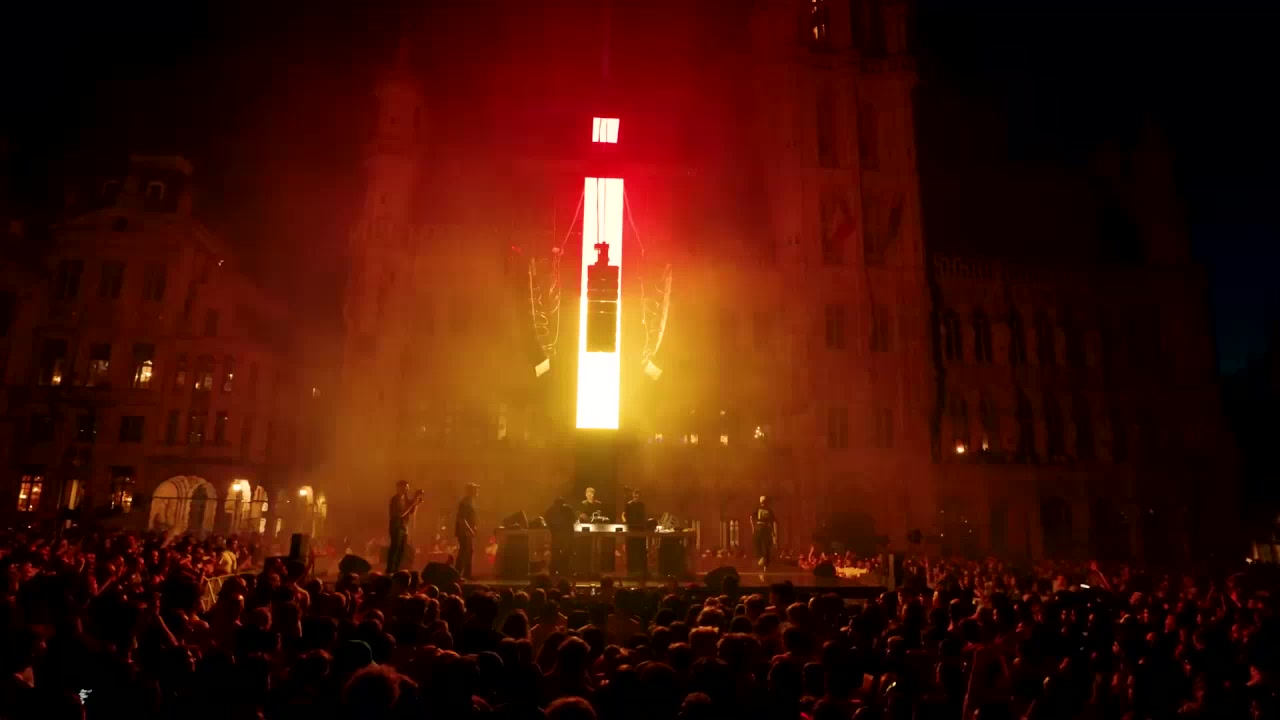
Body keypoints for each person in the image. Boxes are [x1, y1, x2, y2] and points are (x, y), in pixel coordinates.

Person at [387, 480, 423, 573]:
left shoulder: (406, 499)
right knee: (395, 548)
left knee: (402, 550)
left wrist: (416, 503)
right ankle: (390, 570)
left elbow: (411, 512)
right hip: (396, 526)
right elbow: (400, 514)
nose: (407, 489)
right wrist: (413, 502)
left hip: (404, 527)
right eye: (405, 487)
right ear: (399, 488)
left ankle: (397, 570)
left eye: (407, 487)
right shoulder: (395, 499)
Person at [545, 496, 577, 577]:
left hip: (557, 536)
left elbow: (547, 521)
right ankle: (563, 571)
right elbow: (573, 520)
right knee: (565, 554)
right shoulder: (568, 509)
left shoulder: (551, 510)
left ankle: (555, 571)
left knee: (557, 554)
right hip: (566, 536)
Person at [454, 483, 479, 579]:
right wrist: (469, 529)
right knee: (464, 552)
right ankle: (457, 574)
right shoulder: (465, 502)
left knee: (469, 552)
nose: (477, 492)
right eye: (475, 489)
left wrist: (474, 527)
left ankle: (467, 574)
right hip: (463, 532)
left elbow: (470, 517)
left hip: (467, 531)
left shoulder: (470, 502)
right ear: (471, 491)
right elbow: (462, 519)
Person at [622, 487, 647, 576]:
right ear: (633, 496)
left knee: (639, 549)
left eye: (637, 496)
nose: (636, 497)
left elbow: (643, 517)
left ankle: (639, 568)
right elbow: (625, 515)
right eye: (635, 495)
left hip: (639, 529)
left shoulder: (642, 505)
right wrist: (625, 522)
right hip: (631, 528)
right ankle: (631, 569)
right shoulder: (629, 505)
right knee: (631, 548)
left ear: (639, 496)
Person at [751, 495, 777, 573]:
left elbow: (751, 518)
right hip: (765, 528)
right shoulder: (768, 510)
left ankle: (762, 559)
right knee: (765, 546)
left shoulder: (758, 509)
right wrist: (773, 531)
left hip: (760, 528)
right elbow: (772, 521)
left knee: (759, 544)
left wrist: (753, 527)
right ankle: (764, 563)